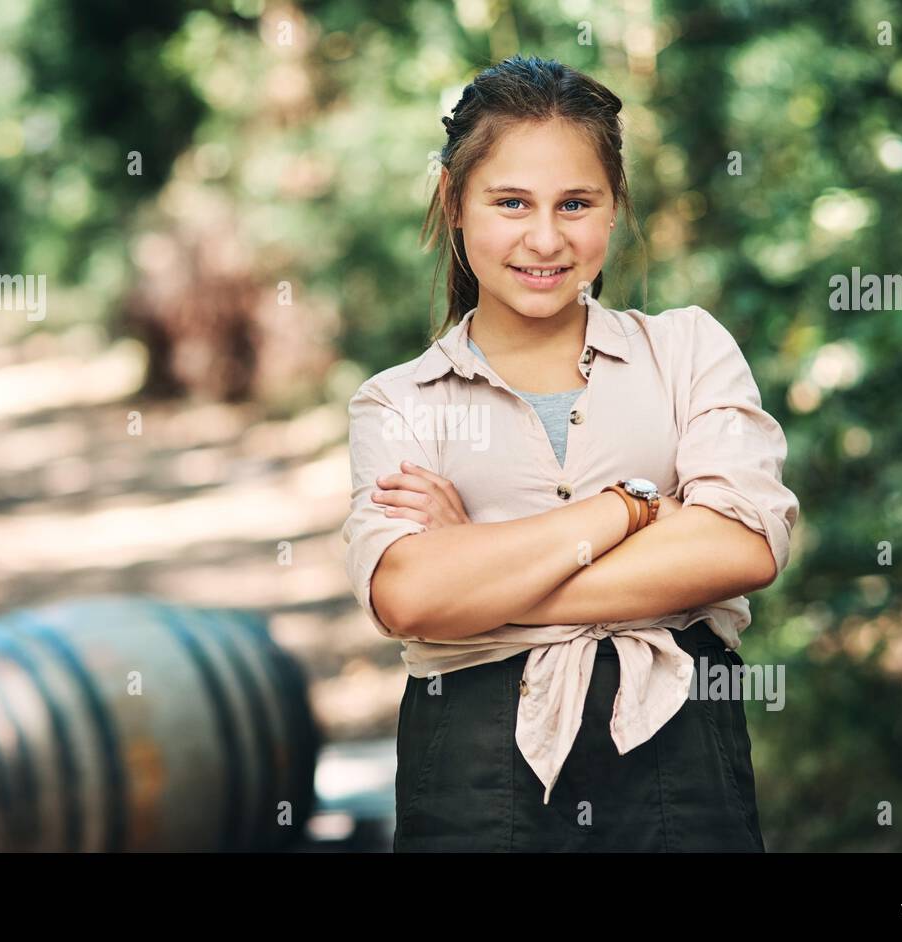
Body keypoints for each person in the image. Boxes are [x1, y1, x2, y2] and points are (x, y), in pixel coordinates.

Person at [341, 54, 800, 852]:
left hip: (681, 763)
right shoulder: (400, 402)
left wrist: (476, 572)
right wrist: (630, 510)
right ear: (454, 203)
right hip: (471, 779)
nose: (545, 238)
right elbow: (410, 597)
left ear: (614, 206)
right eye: (511, 202)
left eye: (576, 203)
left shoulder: (688, 352)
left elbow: (746, 543)